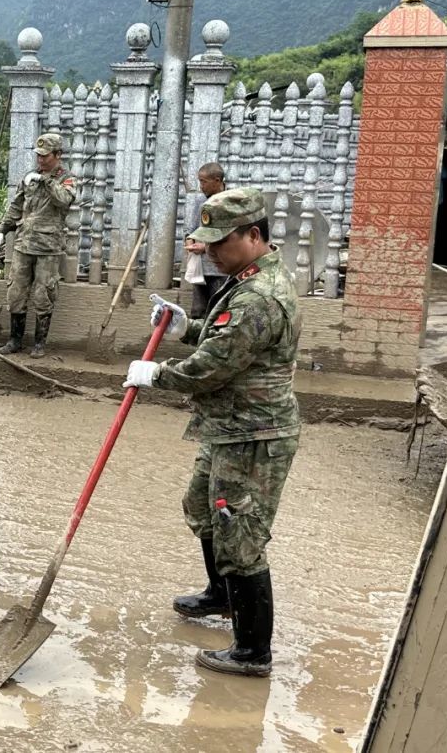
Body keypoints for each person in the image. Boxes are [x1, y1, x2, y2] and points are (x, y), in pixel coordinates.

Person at [122, 187, 300, 678]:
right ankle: (221, 595)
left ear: (253, 235)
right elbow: (224, 334)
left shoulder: (260, 296)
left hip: (253, 435)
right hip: (228, 427)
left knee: (239, 536)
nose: (211, 250)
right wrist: (186, 328)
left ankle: (252, 652)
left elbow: (211, 368)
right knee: (202, 507)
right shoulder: (247, 280)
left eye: (221, 241)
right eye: (208, 241)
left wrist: (157, 374)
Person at [0, 132, 76, 358]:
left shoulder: (66, 179)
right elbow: (16, 206)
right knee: (16, 292)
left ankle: (39, 344)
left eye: (45, 156)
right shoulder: (29, 177)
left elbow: (64, 200)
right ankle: (15, 340)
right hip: (23, 244)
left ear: (57, 155)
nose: (41, 160)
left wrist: (46, 181)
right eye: (38, 155)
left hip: (48, 247)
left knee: (43, 294)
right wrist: (2, 231)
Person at [184, 162, 228, 318]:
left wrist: (205, 247)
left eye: (204, 182)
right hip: (201, 268)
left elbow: (230, 235)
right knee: (197, 312)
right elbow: (191, 229)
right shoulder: (200, 201)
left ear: (217, 181)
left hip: (221, 269)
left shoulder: (230, 202)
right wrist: (190, 241)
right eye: (200, 181)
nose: (201, 186)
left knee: (218, 312)